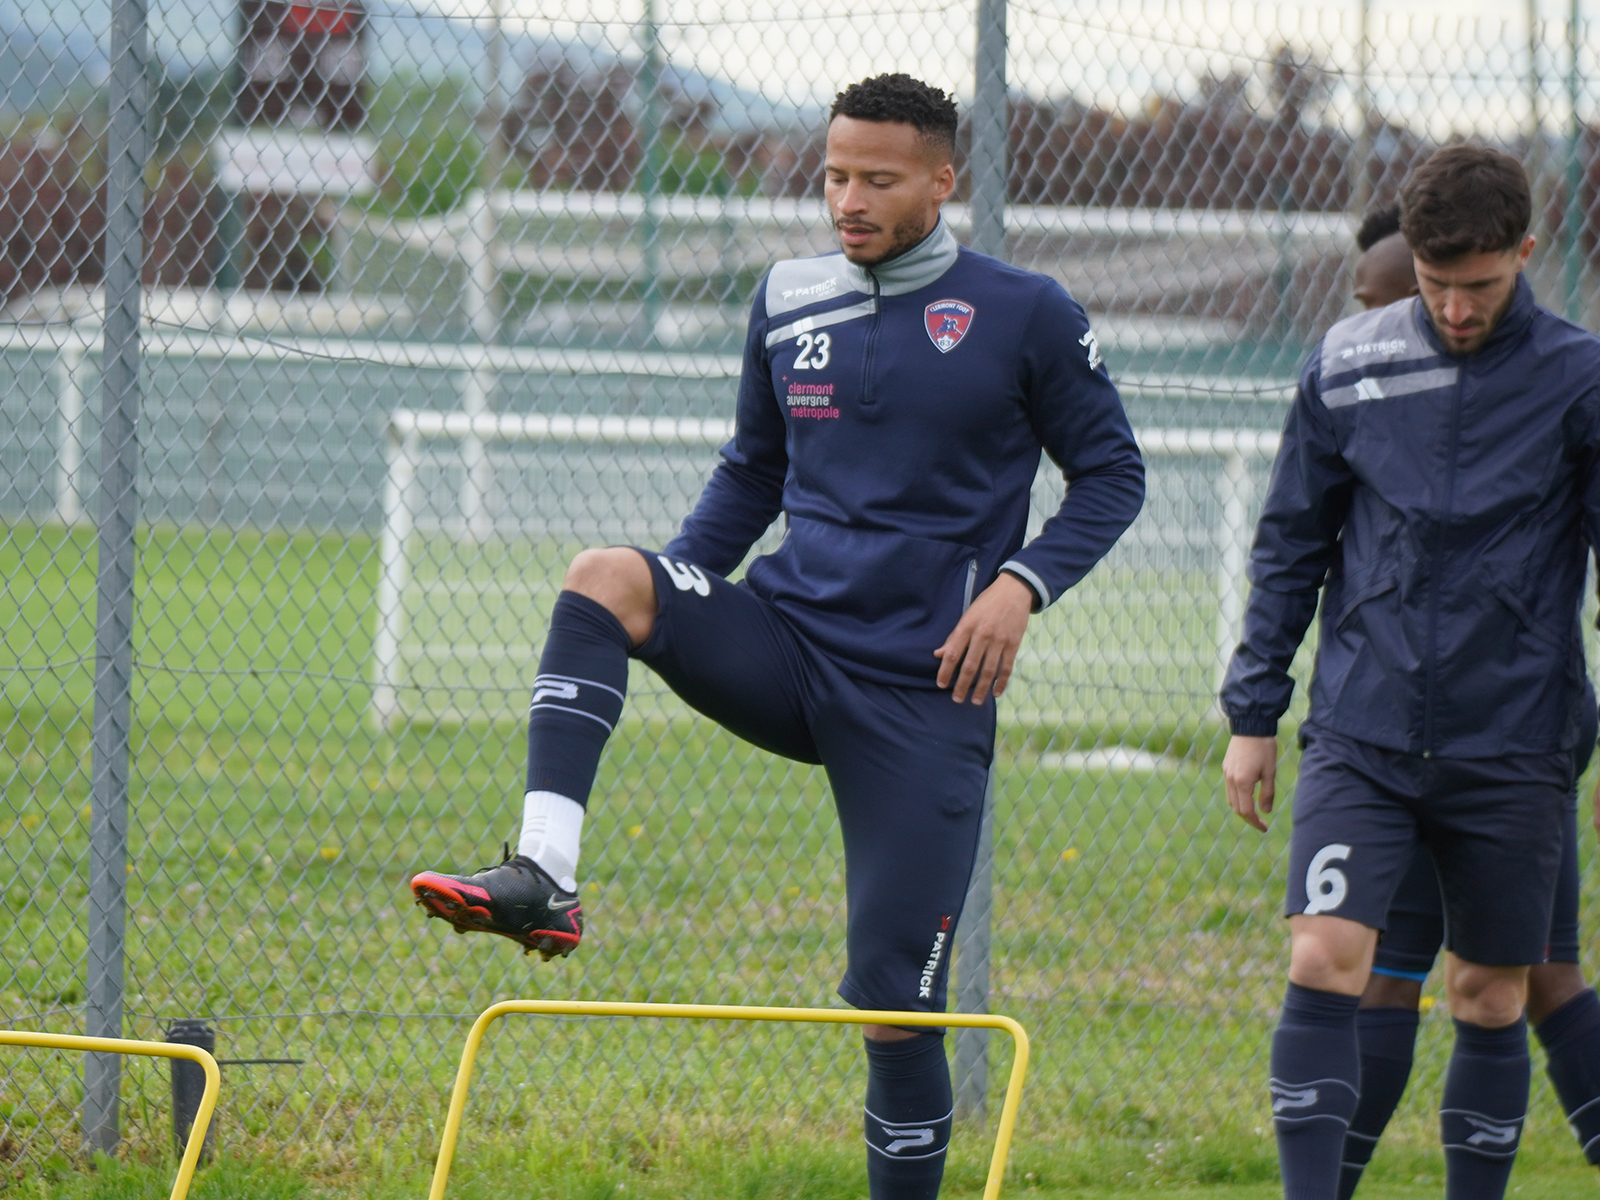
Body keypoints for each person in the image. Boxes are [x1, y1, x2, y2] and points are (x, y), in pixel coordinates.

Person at [409, 72, 1146, 1200]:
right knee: (607, 579)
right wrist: (680, 597)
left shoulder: (1026, 313)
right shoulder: (788, 297)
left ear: (942, 182)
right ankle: (543, 875)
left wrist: (1020, 585)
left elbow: (1112, 475)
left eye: (878, 180)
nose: (848, 199)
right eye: (835, 174)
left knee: (896, 1010)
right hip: (788, 643)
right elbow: (753, 472)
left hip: (923, 694)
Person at [1219, 145, 1600, 1200]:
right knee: (1322, 960)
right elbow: (1290, 544)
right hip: (1364, 730)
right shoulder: (1346, 363)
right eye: (1435, 285)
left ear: (1525, 252)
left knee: (1489, 995)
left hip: (1514, 739)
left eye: (1479, 284)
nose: (1456, 308)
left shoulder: (1578, 377)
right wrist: (1253, 713)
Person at [1334, 204, 1600, 1198]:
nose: (1373, 320)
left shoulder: (1541, 390)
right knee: (1538, 975)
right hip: (1450, 722)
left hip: (1494, 731)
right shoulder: (1366, 392)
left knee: (1416, 976)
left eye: (1377, 299)